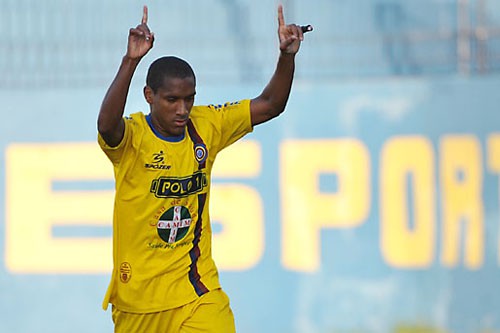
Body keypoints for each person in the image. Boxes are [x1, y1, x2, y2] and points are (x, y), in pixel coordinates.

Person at [97, 4, 306, 333]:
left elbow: (270, 105)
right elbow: (107, 126)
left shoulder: (207, 125)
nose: (183, 109)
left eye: (189, 99)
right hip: (139, 301)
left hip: (197, 290)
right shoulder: (133, 137)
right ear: (149, 96)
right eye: (172, 100)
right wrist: (131, 61)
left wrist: (287, 56)